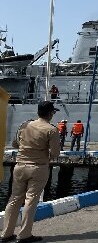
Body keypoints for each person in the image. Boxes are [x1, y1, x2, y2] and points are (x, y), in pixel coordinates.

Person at [2, 101, 60, 243]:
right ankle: (24, 235)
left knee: (14, 199)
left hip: (20, 166)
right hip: (38, 168)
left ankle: (6, 234)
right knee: (31, 200)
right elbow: (55, 153)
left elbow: (15, 143)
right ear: (51, 113)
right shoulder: (51, 130)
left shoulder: (24, 125)